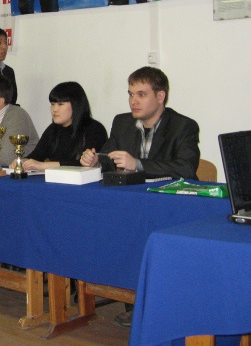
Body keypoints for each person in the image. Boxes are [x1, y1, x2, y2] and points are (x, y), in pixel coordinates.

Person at [80, 66, 199, 328]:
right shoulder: (122, 122)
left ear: (160, 96)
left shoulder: (183, 126)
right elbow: (109, 157)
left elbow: (186, 168)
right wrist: (95, 160)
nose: (133, 101)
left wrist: (139, 164)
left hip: (170, 207)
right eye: (130, 94)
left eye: (141, 94)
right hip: (132, 205)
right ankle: (132, 301)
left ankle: (160, 305)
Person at [10, 82, 107, 172]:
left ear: (75, 105)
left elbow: (83, 164)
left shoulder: (94, 129)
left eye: (60, 104)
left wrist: (43, 166)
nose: (54, 109)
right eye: (52, 104)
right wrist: (22, 161)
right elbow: (36, 156)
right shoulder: (52, 129)